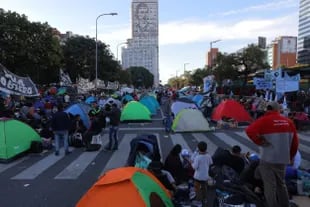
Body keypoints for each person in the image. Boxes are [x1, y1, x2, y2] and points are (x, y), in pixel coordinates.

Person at [245, 101, 299, 207]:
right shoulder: (288, 122)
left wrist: (260, 141)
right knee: (281, 184)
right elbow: (295, 143)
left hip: (267, 158)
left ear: (267, 109)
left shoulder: (263, 121)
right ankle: (285, 204)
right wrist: (291, 156)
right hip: (282, 158)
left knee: (270, 185)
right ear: (278, 109)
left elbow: (249, 131)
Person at [190, 141, 213, 207]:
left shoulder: (198, 157)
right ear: (206, 148)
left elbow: (194, 167)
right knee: (204, 188)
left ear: (199, 149)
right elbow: (211, 163)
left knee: (197, 189)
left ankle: (199, 201)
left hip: (198, 177)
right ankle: (205, 199)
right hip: (205, 176)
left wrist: (191, 162)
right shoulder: (208, 156)